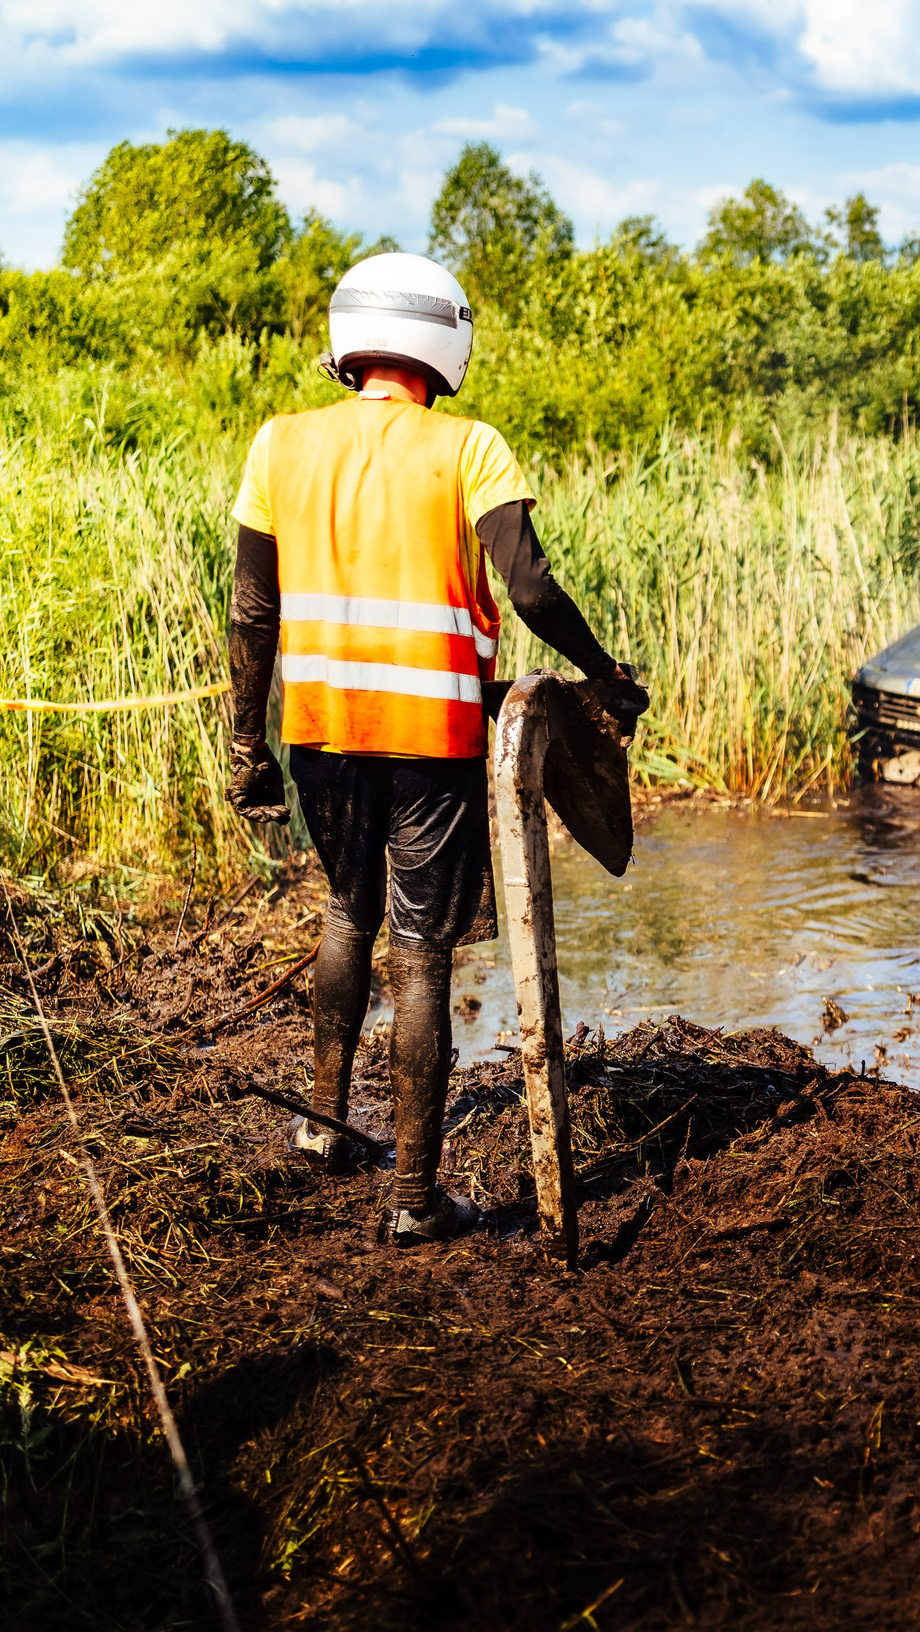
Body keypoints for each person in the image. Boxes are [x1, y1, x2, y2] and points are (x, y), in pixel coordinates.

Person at [221, 251, 645, 1247]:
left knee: (346, 911)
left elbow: (251, 610)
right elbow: (529, 589)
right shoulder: (470, 448)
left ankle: (322, 1128)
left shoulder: (280, 443)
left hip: (319, 733)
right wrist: (602, 672)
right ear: (444, 346)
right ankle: (415, 1198)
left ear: (351, 342)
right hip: (430, 739)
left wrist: (246, 746)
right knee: (418, 954)